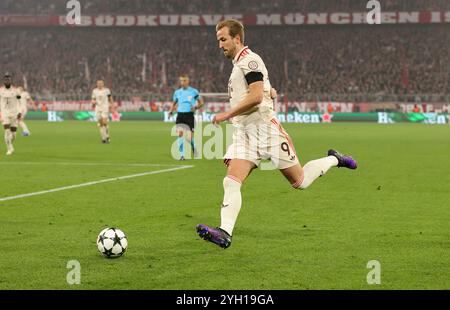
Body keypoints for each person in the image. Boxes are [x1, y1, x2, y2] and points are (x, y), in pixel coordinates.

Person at [196, 20, 358, 249]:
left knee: (299, 182)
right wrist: (269, 92)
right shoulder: (239, 64)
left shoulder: (250, 60)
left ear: (237, 39)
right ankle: (224, 233)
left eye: (223, 39)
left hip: (266, 131)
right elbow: (262, 90)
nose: (220, 45)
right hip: (244, 134)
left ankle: (334, 159)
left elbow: (255, 97)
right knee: (231, 181)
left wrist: (225, 115)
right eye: (218, 40)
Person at [169, 74, 204, 160]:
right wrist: (171, 110)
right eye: (181, 81)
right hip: (180, 115)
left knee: (189, 138)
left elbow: (201, 103)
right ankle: (182, 155)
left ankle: (194, 148)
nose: (183, 82)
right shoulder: (177, 92)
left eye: (184, 80)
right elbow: (174, 103)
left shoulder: (194, 91)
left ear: (188, 81)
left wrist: (195, 107)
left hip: (189, 115)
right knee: (180, 134)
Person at [0, 73, 22, 155]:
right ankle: (9, 149)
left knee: (13, 135)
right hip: (5, 113)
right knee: (6, 131)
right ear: (3, 81)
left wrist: (19, 111)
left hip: (14, 113)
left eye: (8, 79)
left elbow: (20, 102)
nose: (7, 81)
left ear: (11, 81)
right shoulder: (1, 91)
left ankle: (10, 143)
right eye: (5, 79)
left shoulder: (16, 91)